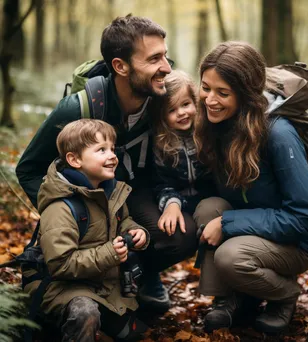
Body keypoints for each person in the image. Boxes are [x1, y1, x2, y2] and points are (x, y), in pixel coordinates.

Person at [16, 14, 198, 313]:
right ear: (120, 66)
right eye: (154, 59)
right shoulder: (79, 108)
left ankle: (143, 272)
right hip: (87, 197)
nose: (166, 68)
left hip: (135, 192)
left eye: (165, 56)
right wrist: (64, 213)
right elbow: (29, 169)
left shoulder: (159, 98)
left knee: (181, 234)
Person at [193, 41, 308, 334]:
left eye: (222, 93)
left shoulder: (278, 134)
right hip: (255, 228)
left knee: (230, 255)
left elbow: (305, 218)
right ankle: (232, 298)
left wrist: (227, 223)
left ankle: (285, 295)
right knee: (206, 209)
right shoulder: (217, 124)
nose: (209, 100)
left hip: (294, 243)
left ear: (245, 95)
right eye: (205, 88)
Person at [24, 119, 149, 341]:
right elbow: (61, 265)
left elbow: (123, 220)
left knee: (132, 333)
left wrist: (137, 231)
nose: (112, 155)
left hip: (102, 283)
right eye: (101, 150)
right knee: (86, 314)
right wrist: (110, 253)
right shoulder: (60, 207)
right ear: (74, 160)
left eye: (112, 148)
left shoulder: (110, 192)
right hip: (61, 287)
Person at [152, 70, 214, 236]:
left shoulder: (207, 133)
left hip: (211, 201)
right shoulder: (162, 144)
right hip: (178, 201)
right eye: (172, 110)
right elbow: (161, 183)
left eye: (185, 104)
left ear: (195, 102)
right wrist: (172, 203)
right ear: (162, 116)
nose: (181, 113)